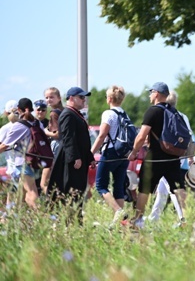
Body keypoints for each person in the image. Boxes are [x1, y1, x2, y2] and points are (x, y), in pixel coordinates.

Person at [127, 82, 186, 228]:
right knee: (178, 187)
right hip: (173, 156)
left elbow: (141, 136)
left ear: (157, 94)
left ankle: (137, 219)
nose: (149, 95)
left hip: (155, 157)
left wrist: (134, 152)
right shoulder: (174, 111)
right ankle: (186, 218)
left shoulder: (152, 111)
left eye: (151, 92)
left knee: (144, 188)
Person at [146, 90, 195, 225]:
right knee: (163, 191)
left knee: (172, 190)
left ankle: (183, 218)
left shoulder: (163, 115)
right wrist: (190, 157)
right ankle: (154, 217)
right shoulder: (182, 117)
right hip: (180, 157)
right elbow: (192, 139)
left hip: (167, 158)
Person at [48, 88, 96, 223]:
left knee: (78, 191)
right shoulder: (68, 114)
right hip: (71, 160)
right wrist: (74, 157)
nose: (83, 99)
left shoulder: (75, 114)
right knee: (71, 191)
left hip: (79, 158)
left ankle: (76, 220)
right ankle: (70, 222)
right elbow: (68, 138)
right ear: (71, 98)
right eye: (81, 97)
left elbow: (83, 139)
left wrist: (90, 157)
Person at [90, 86, 131, 224]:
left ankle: (118, 211)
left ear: (109, 98)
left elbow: (102, 135)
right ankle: (121, 223)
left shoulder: (108, 114)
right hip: (124, 154)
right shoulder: (125, 114)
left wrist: (91, 153)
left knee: (100, 185)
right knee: (118, 186)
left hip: (111, 152)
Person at [0, 99, 40, 210]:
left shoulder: (17, 126)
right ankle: (14, 219)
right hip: (35, 161)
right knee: (23, 195)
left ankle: (43, 217)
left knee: (29, 193)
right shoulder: (37, 122)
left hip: (20, 163)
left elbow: (4, 146)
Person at [0, 100, 20, 213]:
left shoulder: (6, 128)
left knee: (12, 193)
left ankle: (8, 217)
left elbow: (2, 146)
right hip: (26, 164)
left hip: (13, 166)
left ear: (6, 113)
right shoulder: (26, 124)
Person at [43, 87, 64, 156]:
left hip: (57, 144)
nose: (48, 100)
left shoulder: (54, 113)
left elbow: (57, 135)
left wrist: (46, 132)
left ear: (59, 98)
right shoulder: (64, 111)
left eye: (51, 97)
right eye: (46, 98)